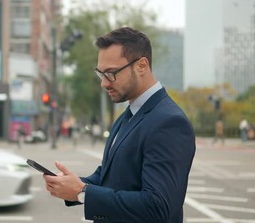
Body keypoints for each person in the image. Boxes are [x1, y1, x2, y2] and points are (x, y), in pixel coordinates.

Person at [43, 27, 196, 223]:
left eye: (111, 73)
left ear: (141, 66)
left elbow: (157, 207)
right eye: (101, 74)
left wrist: (83, 192)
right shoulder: (128, 114)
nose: (104, 83)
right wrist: (70, 185)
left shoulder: (169, 122)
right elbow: (110, 176)